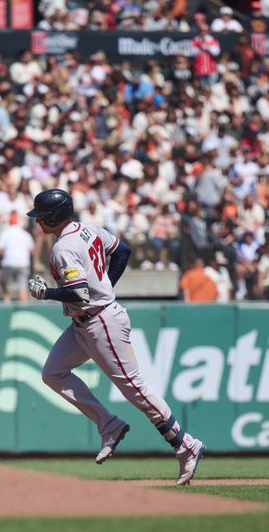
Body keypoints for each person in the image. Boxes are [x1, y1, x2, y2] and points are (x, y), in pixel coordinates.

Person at [26, 189, 205, 486]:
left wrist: (46, 293)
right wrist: (105, 285)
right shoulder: (88, 230)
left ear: (56, 216)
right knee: (53, 373)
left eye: (42, 216)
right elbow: (122, 251)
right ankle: (109, 424)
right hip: (84, 323)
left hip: (100, 322)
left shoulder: (63, 248)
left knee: (134, 387)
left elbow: (78, 292)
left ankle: (186, 444)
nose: (38, 221)